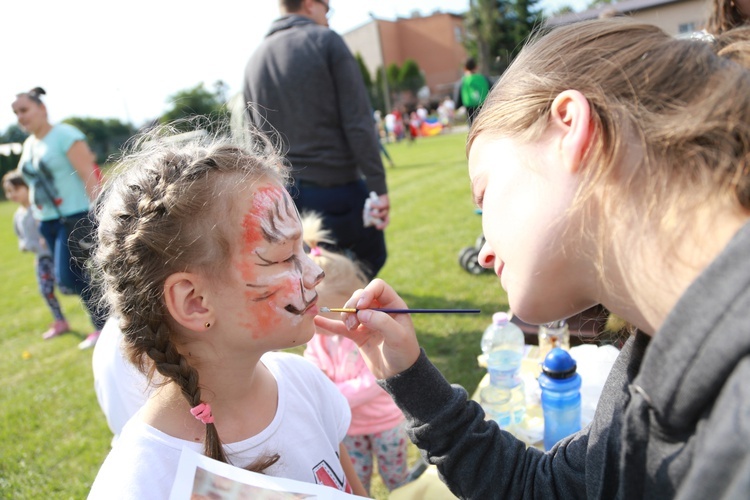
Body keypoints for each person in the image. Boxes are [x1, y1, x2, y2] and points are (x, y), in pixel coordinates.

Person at [315, 19, 750, 499]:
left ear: (569, 127)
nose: (482, 251)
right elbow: (547, 489)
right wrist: (410, 375)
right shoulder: (652, 356)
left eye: (485, 200)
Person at [87, 124, 366, 498]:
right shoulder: (142, 482)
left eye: (305, 251)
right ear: (194, 302)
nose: (316, 273)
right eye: (284, 257)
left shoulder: (305, 383)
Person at [243, 0, 390, 280]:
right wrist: (378, 186)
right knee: (362, 266)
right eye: (328, 9)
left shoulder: (254, 61)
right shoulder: (326, 41)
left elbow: (255, 144)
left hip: (284, 198)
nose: (328, 18)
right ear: (311, 4)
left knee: (308, 276)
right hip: (337, 188)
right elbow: (358, 120)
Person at [301, 212, 409, 495]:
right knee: (356, 481)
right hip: (350, 429)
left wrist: (332, 393)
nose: (319, 323)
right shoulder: (317, 343)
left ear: (349, 303)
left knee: (396, 477)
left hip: (385, 424)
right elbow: (315, 377)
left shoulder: (367, 336)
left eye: (326, 313)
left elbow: (372, 381)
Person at [12, 87, 106, 349]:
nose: (20, 116)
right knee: (71, 278)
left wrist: (97, 212)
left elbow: (89, 173)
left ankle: (104, 323)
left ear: (42, 109)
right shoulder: (30, 144)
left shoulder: (65, 135)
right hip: (47, 221)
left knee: (68, 276)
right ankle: (105, 322)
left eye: (24, 110)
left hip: (74, 216)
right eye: (16, 113)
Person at [3, 170, 70, 339]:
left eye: (15, 190)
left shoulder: (39, 209)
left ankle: (99, 316)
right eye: (8, 191)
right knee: (46, 290)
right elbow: (21, 236)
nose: (11, 195)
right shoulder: (18, 215)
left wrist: (45, 239)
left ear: (27, 187)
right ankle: (60, 321)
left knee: (67, 286)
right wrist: (27, 246)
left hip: (54, 254)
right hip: (41, 259)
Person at [457, 58, 490, 126]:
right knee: (485, 124)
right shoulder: (483, 78)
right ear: (476, 67)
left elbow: (458, 95)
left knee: (473, 126)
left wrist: (457, 105)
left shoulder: (464, 80)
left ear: (465, 68)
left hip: (470, 108)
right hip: (483, 105)